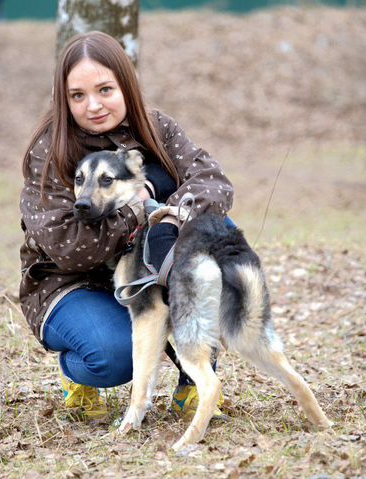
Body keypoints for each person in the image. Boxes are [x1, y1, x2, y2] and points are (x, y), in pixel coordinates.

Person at [18, 31, 234, 420]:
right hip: (71, 282)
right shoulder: (48, 151)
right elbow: (69, 246)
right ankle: (78, 374)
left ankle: (192, 384)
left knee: (215, 242)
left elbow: (214, 184)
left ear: (126, 85)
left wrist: (164, 215)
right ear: (63, 100)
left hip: (144, 266)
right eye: (78, 96)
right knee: (113, 356)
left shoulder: (157, 128)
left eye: (105, 89)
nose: (94, 106)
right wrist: (136, 213)